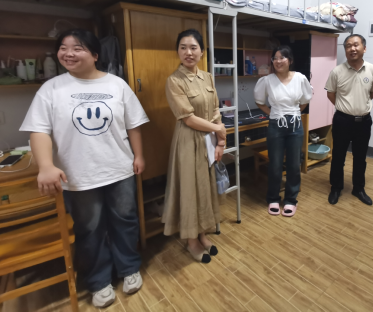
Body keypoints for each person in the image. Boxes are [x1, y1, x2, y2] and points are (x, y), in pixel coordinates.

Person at [20, 29, 149, 308]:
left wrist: (138, 155)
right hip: (78, 175)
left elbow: (133, 124)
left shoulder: (117, 85)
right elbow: (38, 130)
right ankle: (99, 280)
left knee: (126, 220)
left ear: (95, 54)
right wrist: (45, 166)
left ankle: (129, 267)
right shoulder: (51, 89)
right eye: (63, 48)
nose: (68, 53)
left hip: (119, 169)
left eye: (77, 48)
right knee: (89, 228)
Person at [162, 29, 226, 264]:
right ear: (178, 51)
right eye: (183, 48)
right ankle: (191, 240)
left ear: (202, 52)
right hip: (188, 141)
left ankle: (202, 234)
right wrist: (218, 130)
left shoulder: (207, 77)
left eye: (193, 47)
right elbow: (187, 118)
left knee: (205, 187)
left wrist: (220, 141)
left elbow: (216, 109)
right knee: (190, 190)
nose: (188, 52)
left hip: (209, 140)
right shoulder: (174, 81)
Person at [254, 45, 312, 217]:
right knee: (275, 164)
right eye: (275, 58)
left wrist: (294, 112)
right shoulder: (267, 80)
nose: (278, 61)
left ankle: (290, 200)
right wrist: (273, 113)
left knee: (294, 165)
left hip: (295, 125)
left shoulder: (300, 78)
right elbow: (259, 101)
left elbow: (305, 100)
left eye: (282, 58)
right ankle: (273, 198)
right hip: (275, 125)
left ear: (290, 60)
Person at [325, 34, 373, 206]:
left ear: (364, 48)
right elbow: (330, 94)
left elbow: (372, 92)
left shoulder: (371, 70)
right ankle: (336, 188)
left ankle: (358, 188)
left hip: (364, 121)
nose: (352, 49)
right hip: (342, 120)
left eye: (356, 45)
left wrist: (359, 107)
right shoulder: (337, 71)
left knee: (360, 157)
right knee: (338, 156)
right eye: (348, 46)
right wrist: (345, 108)